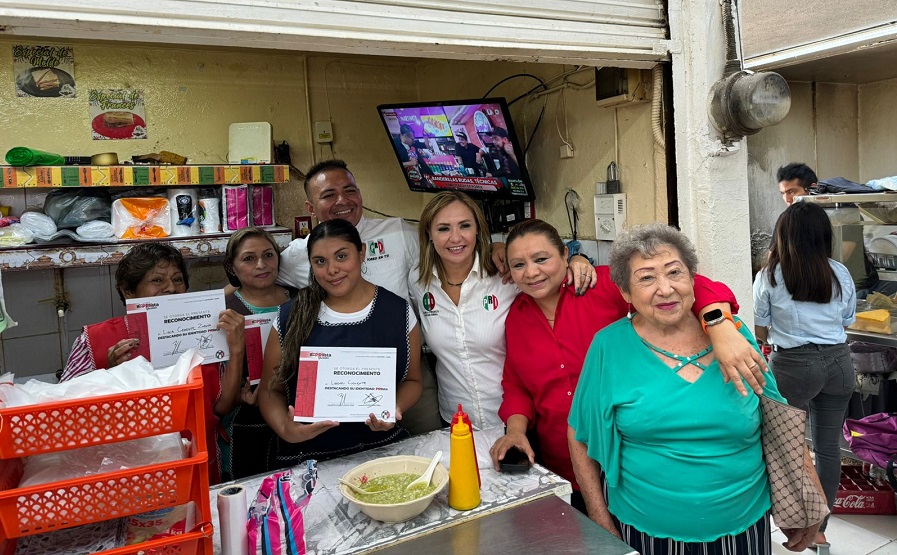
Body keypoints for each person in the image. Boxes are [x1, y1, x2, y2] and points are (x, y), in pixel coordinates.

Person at [568, 222, 820, 554]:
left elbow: (778, 417)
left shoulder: (733, 335)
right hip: (645, 529)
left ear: (693, 280)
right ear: (626, 293)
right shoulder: (608, 347)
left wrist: (809, 497)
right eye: (646, 278)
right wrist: (600, 520)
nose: (665, 288)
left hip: (743, 526)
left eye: (675, 273)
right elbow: (580, 435)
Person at [490, 219, 768, 512]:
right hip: (559, 466)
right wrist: (516, 430)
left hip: (626, 464)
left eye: (541, 259)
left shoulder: (602, 285)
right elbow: (516, 383)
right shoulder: (516, 317)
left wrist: (719, 325)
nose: (531, 272)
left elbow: (694, 287)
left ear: (564, 255)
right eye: (518, 265)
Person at [275, 159, 440, 435]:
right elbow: (255, 275)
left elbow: (445, 257)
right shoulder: (298, 253)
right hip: (340, 378)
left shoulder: (399, 232)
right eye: (328, 194)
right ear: (310, 208)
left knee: (429, 449)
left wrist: (494, 249)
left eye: (350, 190)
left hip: (407, 369)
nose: (343, 200)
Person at [61, 242, 246, 485]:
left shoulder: (206, 335)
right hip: (120, 472)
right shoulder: (94, 340)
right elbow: (63, 415)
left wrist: (236, 348)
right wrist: (107, 373)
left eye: (178, 280)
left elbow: (222, 406)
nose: (171, 288)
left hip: (195, 464)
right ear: (128, 291)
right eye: (157, 281)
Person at [410, 192, 597, 429]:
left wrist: (577, 259)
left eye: (465, 226)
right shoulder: (418, 281)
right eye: (443, 229)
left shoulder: (505, 275)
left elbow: (548, 280)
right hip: (455, 418)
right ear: (429, 233)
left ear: (478, 230)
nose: (455, 237)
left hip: (517, 417)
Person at [258, 219, 423, 468]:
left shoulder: (397, 312)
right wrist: (286, 429)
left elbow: (412, 381)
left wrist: (393, 408)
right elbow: (271, 390)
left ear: (362, 253)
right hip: (308, 456)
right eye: (320, 261)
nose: (332, 269)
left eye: (341, 256)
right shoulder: (290, 316)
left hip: (379, 450)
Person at [753, 202, 856, 548]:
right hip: (840, 363)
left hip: (793, 367)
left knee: (784, 445)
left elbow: (761, 327)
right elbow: (847, 321)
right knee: (828, 448)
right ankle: (820, 527)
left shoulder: (770, 275)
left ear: (784, 236)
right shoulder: (839, 273)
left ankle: (793, 520)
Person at [221, 227, 296, 480]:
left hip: (299, 412)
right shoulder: (225, 312)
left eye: (268, 255)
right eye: (249, 258)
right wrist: (240, 396)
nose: (261, 265)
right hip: (247, 421)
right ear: (232, 267)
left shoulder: (301, 300)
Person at [777, 162, 897, 298]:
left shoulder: (842, 211)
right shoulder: (787, 219)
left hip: (855, 286)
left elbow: (840, 256)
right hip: (817, 287)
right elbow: (775, 256)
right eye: (783, 193)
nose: (787, 199)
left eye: (792, 192)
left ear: (812, 189)